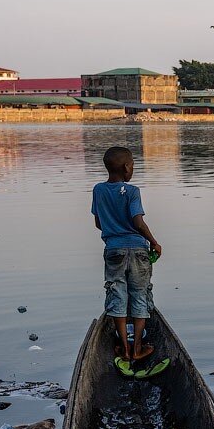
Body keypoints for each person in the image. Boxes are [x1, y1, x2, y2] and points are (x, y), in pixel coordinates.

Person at [92, 146, 163, 376]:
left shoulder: (98, 190)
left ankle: (123, 348)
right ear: (126, 168)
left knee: (118, 294)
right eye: (132, 165)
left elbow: (98, 224)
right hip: (139, 250)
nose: (132, 168)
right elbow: (138, 222)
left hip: (114, 251)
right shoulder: (132, 191)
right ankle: (138, 348)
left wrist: (114, 228)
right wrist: (154, 241)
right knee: (140, 295)